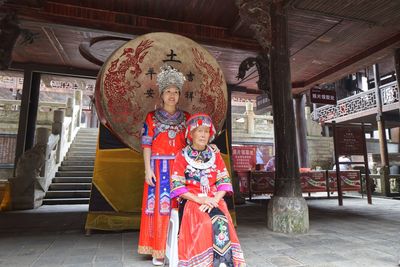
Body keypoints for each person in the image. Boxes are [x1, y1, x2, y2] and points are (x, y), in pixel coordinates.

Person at [171, 113, 246, 267]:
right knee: (205, 224)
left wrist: (214, 200)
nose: (203, 135)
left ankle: (225, 263)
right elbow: (177, 186)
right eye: (199, 131)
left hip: (214, 200)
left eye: (206, 131)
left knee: (222, 220)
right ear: (191, 133)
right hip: (192, 201)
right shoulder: (182, 156)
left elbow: (224, 182)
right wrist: (200, 200)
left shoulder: (215, 155)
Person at [138, 65, 190, 266]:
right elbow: (146, 144)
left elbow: (191, 144)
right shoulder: (151, 118)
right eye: (168, 91)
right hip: (158, 169)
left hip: (180, 168)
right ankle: (157, 250)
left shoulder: (186, 118)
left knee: (180, 207)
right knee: (159, 208)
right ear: (161, 95)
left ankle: (180, 247)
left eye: (176, 92)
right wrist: (147, 169)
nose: (172, 95)